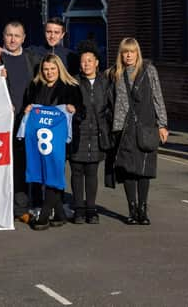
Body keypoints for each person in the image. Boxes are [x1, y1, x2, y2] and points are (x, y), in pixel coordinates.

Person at [0, 22, 40, 223]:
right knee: (0, 166)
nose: (13, 39)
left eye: (17, 35)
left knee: (24, 165)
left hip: (26, 121)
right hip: (1, 122)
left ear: (24, 38)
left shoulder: (32, 59)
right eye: (9, 35)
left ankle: (21, 207)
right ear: (3, 37)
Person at [109, 38, 168, 225]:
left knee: (143, 170)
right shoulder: (114, 73)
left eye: (132, 52)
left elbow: (158, 97)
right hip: (122, 128)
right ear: (121, 54)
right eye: (125, 52)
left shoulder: (149, 71)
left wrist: (162, 124)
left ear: (137, 53)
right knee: (128, 170)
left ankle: (143, 210)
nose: (128, 55)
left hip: (145, 127)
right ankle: (132, 209)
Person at [23, 54, 82, 230]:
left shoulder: (71, 87)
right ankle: (60, 214)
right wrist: (28, 108)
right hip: (39, 140)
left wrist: (74, 110)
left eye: (53, 69)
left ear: (59, 69)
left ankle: (44, 214)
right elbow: (29, 106)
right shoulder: (35, 86)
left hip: (60, 141)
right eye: (46, 69)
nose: (49, 73)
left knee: (54, 174)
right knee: (43, 174)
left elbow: (82, 112)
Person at [69, 41, 111, 224]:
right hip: (77, 133)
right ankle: (79, 210)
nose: (86, 64)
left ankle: (91, 210)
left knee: (92, 173)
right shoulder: (73, 81)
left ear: (97, 63)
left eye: (89, 60)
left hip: (97, 134)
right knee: (77, 172)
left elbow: (111, 106)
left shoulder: (105, 83)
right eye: (83, 61)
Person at [0, 17, 79, 72]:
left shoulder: (70, 56)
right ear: (44, 32)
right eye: (49, 32)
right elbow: (15, 51)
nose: (52, 36)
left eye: (56, 32)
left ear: (62, 35)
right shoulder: (33, 51)